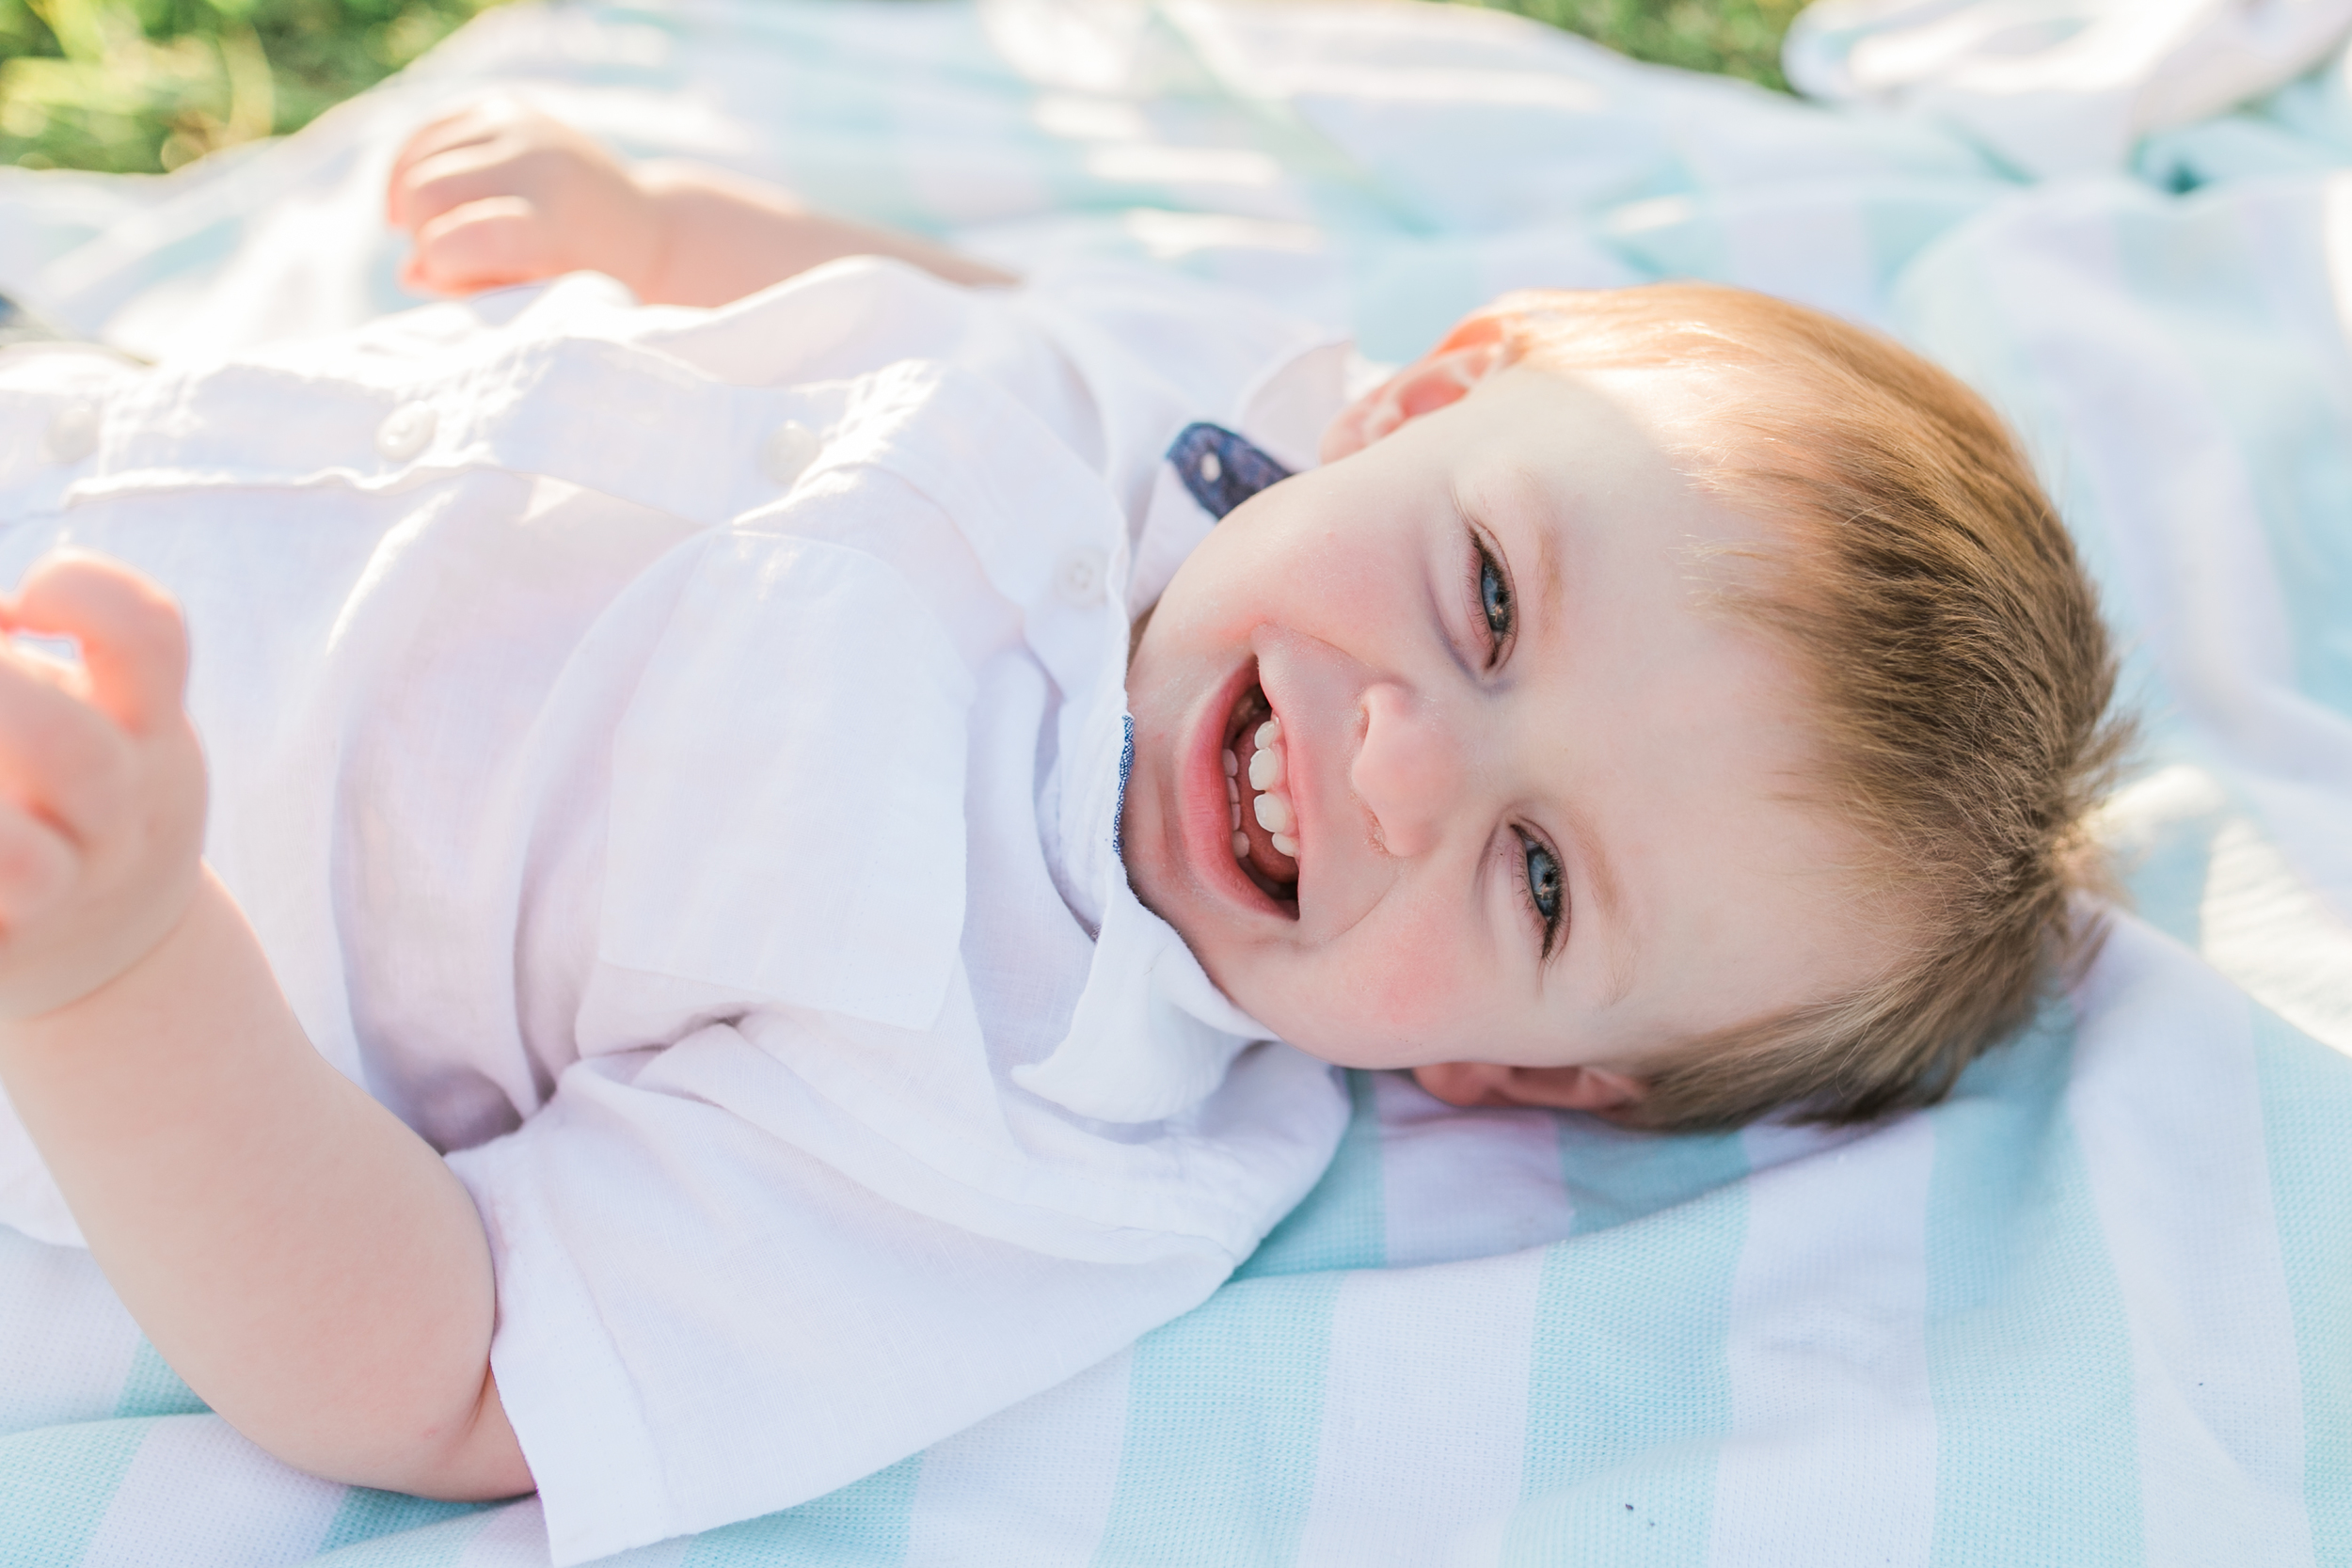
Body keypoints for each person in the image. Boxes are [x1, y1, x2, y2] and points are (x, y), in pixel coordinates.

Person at [0, 100, 2122, 1564]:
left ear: (1518, 1074)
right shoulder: (1190, 443)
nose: (1400, 768)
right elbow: (958, 298)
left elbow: (448, 1370)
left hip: (86, 874)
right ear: (1421, 397)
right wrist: (665, 238)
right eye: (1486, 596)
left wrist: (119, 974)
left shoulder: (1038, 1114)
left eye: (1538, 877)